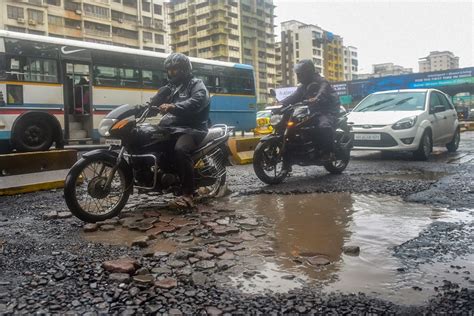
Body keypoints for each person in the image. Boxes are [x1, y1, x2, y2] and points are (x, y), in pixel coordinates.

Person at [150, 53, 210, 209]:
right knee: (152, 142)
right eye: (169, 70)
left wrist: (174, 107)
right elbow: (154, 101)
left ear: (184, 69)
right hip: (172, 127)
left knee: (181, 150)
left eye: (174, 70)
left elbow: (196, 101)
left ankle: (188, 194)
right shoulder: (170, 88)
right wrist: (142, 108)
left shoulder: (196, 84)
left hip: (193, 129)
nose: (171, 73)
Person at [279, 59, 340, 161]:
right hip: (314, 111)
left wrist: (317, 98)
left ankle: (329, 152)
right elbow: (294, 96)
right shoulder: (303, 86)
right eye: (297, 74)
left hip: (328, 110)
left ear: (308, 72)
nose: (298, 77)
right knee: (298, 125)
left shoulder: (322, 81)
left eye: (300, 74)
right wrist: (281, 103)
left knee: (323, 125)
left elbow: (323, 91)